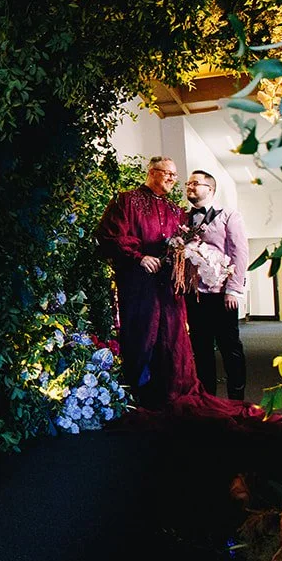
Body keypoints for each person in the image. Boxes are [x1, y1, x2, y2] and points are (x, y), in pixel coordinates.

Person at [95, 156, 195, 408]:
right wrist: (138, 257)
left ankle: (169, 391)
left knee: (171, 337)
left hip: (168, 287)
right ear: (152, 172)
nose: (173, 179)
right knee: (141, 334)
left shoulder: (176, 211)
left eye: (175, 175)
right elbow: (108, 235)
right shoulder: (127, 200)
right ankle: (138, 394)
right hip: (139, 285)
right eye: (167, 173)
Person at [183, 170, 250, 401]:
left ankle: (236, 399)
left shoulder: (229, 215)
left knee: (230, 348)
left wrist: (233, 289)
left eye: (195, 183)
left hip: (221, 294)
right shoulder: (182, 217)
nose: (190, 187)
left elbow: (239, 253)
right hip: (194, 294)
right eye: (188, 183)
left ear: (210, 189)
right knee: (201, 349)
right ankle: (207, 398)